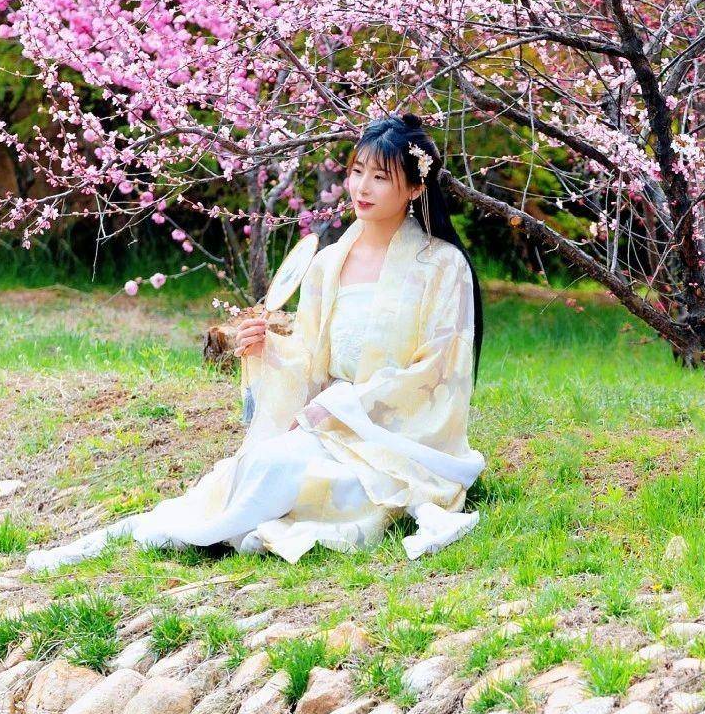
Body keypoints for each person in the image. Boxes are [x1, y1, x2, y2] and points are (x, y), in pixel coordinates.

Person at [26, 115, 486, 570]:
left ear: (415, 188)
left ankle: (210, 531)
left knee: (294, 477)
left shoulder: (443, 267)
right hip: (331, 425)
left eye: (380, 177)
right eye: (356, 171)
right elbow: (309, 357)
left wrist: (345, 406)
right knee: (256, 468)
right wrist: (268, 351)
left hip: (394, 436)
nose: (362, 187)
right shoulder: (328, 263)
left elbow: (438, 371)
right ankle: (177, 529)